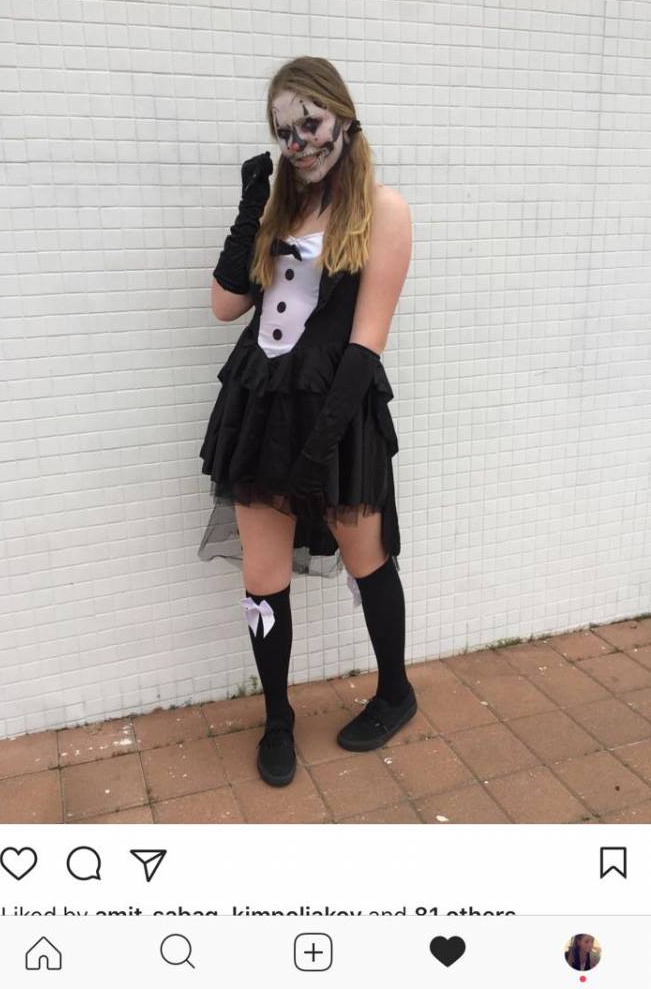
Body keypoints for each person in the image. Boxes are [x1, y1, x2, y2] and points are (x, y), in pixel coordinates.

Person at [198, 56, 414, 787]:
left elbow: (366, 341)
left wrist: (319, 449)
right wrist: (249, 205)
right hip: (261, 407)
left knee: (366, 556)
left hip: (338, 413)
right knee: (262, 575)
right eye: (283, 131)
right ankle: (278, 720)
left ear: (342, 117)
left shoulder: (382, 209)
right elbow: (225, 305)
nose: (298, 143)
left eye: (309, 124)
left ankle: (395, 691)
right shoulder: (281, 212)